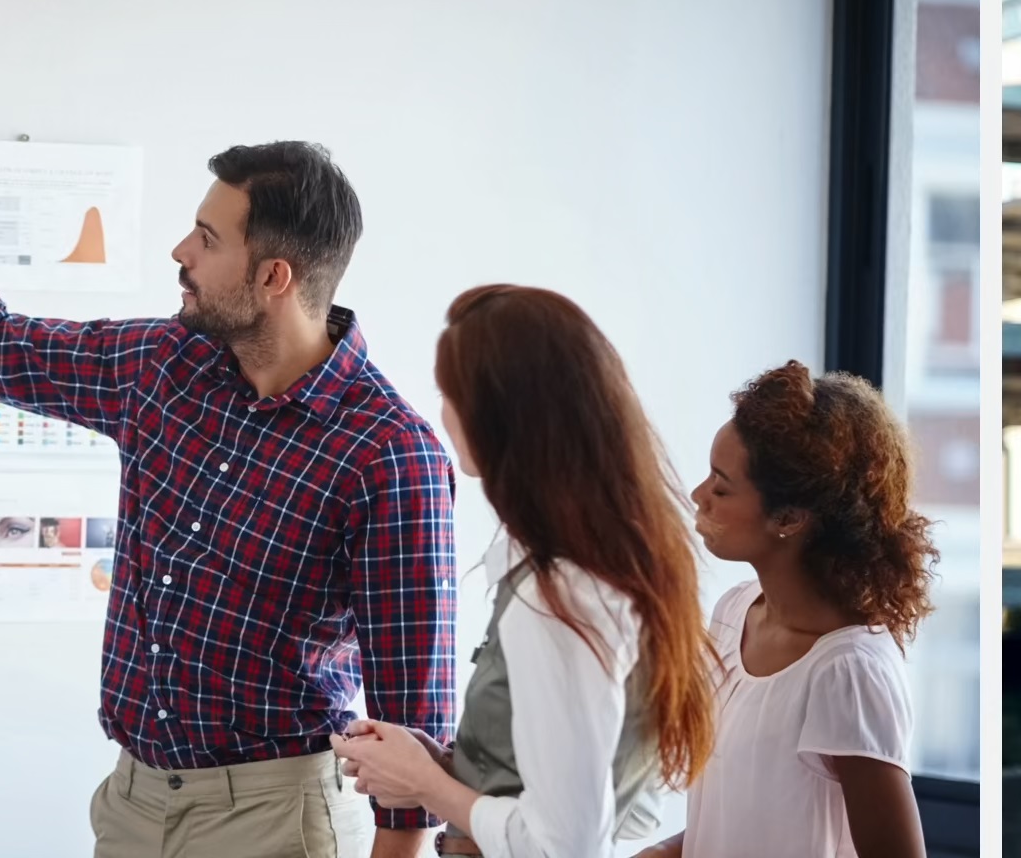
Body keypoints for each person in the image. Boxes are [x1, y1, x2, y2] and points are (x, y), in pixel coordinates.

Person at [0, 122, 457, 858]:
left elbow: (416, 719)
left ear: (273, 277)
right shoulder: (166, 365)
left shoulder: (389, 454)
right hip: (133, 802)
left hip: (277, 819)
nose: (181, 252)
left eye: (208, 238)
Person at [329, 286, 714, 856]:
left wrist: (426, 784)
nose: (439, 412)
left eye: (448, 393)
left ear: (498, 419)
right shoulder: (618, 559)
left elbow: (566, 843)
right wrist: (442, 762)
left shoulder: (559, 593)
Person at [650, 363, 929, 858]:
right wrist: (669, 852)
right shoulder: (735, 611)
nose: (698, 497)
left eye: (720, 486)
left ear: (789, 517)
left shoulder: (849, 672)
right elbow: (747, 816)